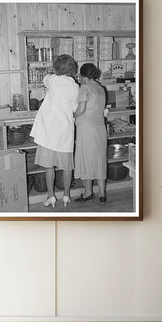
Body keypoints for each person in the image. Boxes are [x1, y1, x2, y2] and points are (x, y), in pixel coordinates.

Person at [30, 54, 79, 208]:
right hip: (65, 131)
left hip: (48, 130)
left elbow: (46, 78)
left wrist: (52, 72)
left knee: (49, 166)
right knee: (66, 166)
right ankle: (66, 195)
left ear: (56, 67)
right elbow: (75, 108)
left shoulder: (52, 80)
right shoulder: (75, 86)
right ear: (72, 68)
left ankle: (51, 196)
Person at [74, 63, 107, 204]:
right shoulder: (101, 88)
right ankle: (102, 194)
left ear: (83, 76)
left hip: (87, 128)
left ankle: (88, 193)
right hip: (100, 128)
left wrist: (72, 115)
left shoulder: (85, 87)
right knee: (100, 159)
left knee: (86, 159)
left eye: (80, 76)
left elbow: (81, 109)